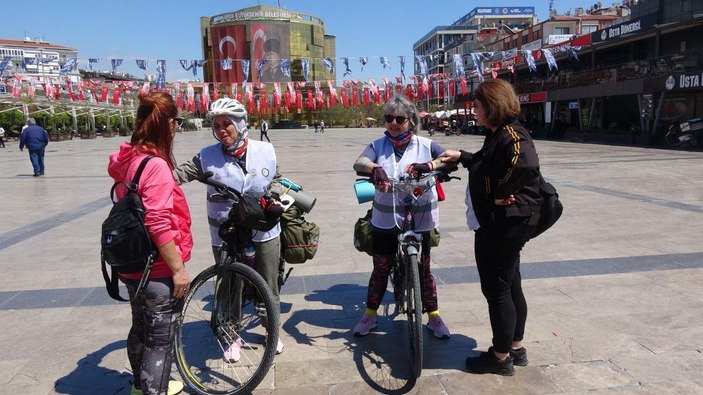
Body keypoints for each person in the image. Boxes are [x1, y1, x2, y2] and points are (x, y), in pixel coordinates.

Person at [439, 78, 542, 376]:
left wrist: (500, 192)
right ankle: (516, 346)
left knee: (497, 290)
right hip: (506, 223)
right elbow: (489, 162)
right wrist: (463, 157)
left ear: (491, 105)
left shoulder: (512, 133)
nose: (474, 109)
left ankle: (499, 358)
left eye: (478, 104)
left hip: (504, 224)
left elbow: (526, 165)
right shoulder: (497, 133)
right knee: (510, 283)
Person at [173, 97, 286, 360]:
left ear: (241, 125)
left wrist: (275, 197)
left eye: (228, 124)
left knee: (268, 284)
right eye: (217, 125)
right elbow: (179, 175)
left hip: (263, 230)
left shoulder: (265, 150)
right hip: (227, 233)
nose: (222, 129)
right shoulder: (207, 156)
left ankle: (271, 329)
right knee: (229, 284)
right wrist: (149, 178)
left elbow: (276, 178)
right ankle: (231, 334)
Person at [107, 91, 192, 395]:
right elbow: (157, 222)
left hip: (132, 267)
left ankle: (138, 388)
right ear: (168, 123)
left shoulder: (130, 160)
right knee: (159, 339)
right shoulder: (154, 166)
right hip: (155, 269)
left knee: (140, 329)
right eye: (176, 121)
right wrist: (178, 269)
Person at [352, 94, 451, 339]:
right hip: (386, 218)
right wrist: (375, 169)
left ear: (411, 121)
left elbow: (447, 158)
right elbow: (360, 161)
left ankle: (434, 317)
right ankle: (370, 314)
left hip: (421, 214)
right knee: (381, 267)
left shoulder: (425, 145)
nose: (393, 123)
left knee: (424, 267)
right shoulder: (378, 145)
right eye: (389, 118)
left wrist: (430, 166)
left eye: (399, 118)